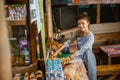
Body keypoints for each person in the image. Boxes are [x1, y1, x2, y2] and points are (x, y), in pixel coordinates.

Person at [63, 12, 97, 80]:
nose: (81, 26)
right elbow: (70, 40)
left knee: (91, 77)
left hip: (89, 59)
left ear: (88, 23)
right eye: (79, 24)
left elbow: (83, 50)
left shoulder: (90, 36)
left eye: (83, 23)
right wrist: (62, 46)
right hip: (80, 58)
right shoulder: (78, 33)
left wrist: (71, 56)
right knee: (81, 76)